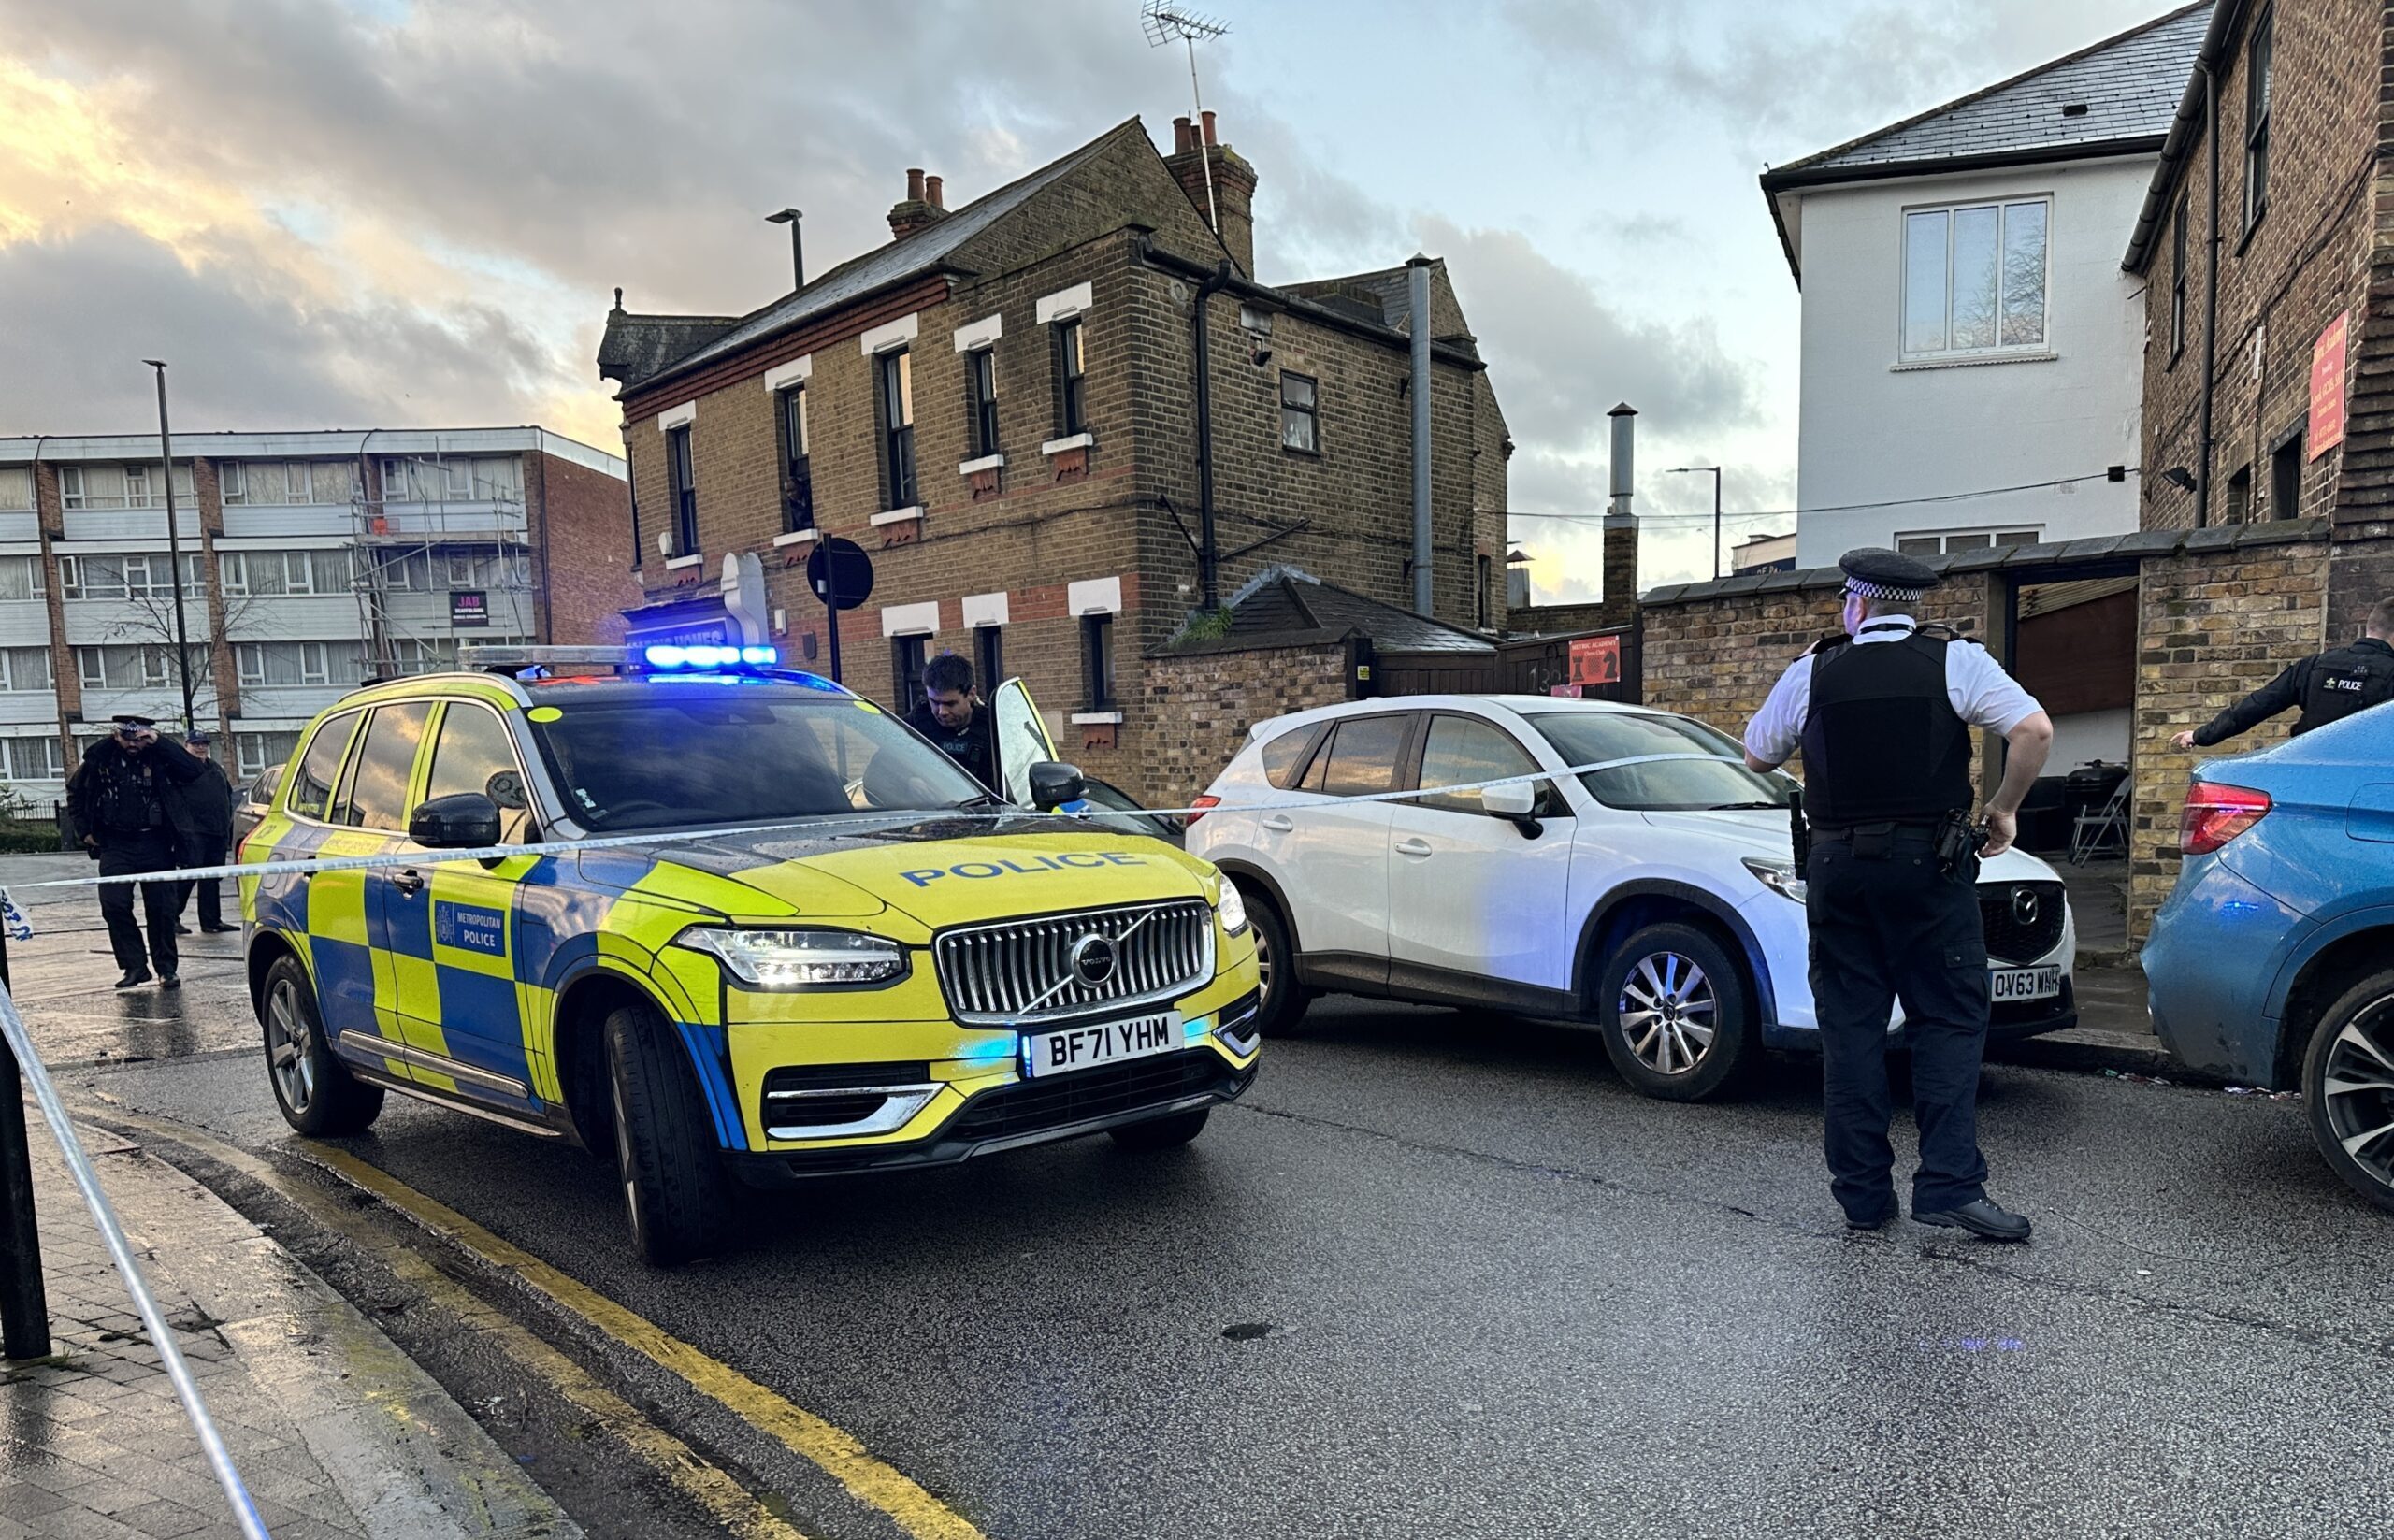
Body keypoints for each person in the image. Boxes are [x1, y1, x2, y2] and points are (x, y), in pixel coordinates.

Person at [1743, 549, 2054, 1242]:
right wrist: (2003, 807)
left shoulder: (1812, 670)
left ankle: (1861, 1196)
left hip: (1836, 870)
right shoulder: (1955, 662)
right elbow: (2033, 731)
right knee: (1946, 1018)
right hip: (1929, 870)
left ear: (1854, 605)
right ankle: (1948, 1185)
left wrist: (1810, 680)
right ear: (1915, 606)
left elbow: (1756, 754)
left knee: (1851, 1027)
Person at [65, 714, 205, 989]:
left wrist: (160, 742)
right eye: (127, 738)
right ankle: (134, 966)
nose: (133, 744)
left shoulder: (159, 757)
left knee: (162, 909)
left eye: (139, 739)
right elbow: (75, 792)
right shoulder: (101, 759)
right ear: (116, 735)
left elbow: (194, 772)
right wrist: (84, 831)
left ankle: (166, 969)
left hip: (156, 843)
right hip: (116, 844)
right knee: (114, 905)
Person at [2170, 595, 2394, 750]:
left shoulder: (2314, 665)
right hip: (2366, 781)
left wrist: (2200, 735)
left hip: (2304, 768)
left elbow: (2259, 703)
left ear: (2370, 626)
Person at [165, 731, 239, 935]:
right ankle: (171, 918)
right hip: (193, 832)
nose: (201, 747)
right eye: (195, 744)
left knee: (212, 877)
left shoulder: (216, 768)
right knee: (188, 876)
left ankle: (211, 920)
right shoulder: (181, 769)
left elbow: (226, 795)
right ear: (186, 745)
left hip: (217, 831)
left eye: (204, 743)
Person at [903, 652, 999, 792]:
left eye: (950, 704)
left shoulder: (994, 728)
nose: (942, 712)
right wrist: (907, 782)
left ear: (971, 694)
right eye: (934, 702)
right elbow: (877, 779)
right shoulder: (913, 726)